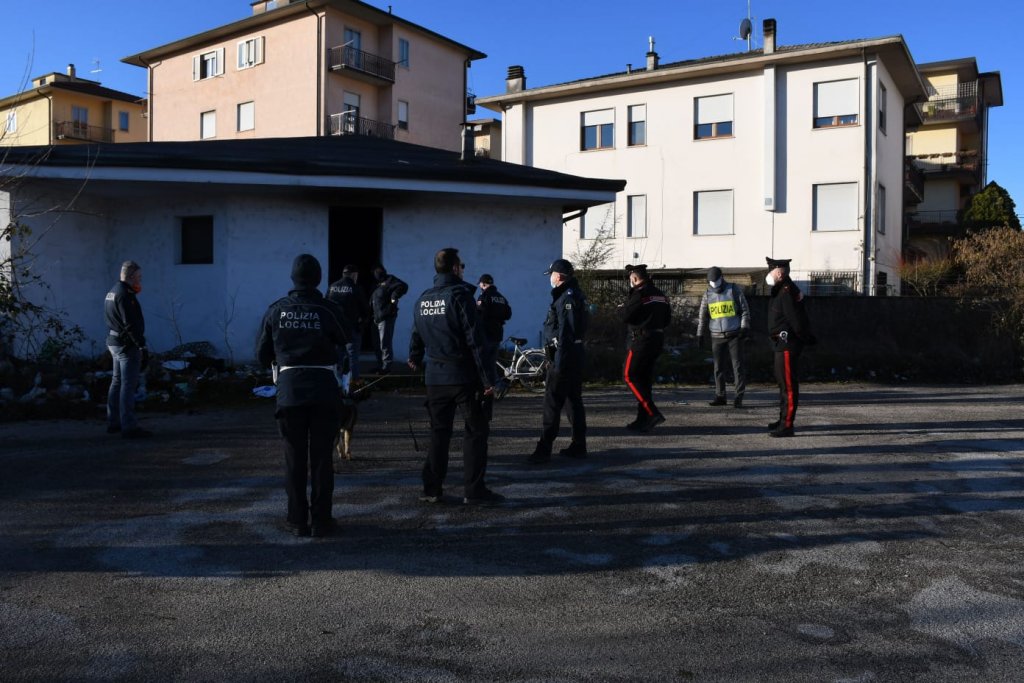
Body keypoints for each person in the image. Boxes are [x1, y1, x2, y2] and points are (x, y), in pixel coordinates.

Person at [256, 254, 350, 537]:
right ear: (318, 279)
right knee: (322, 458)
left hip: (289, 390)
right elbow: (345, 339)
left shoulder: (276, 310)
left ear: (292, 278)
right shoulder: (329, 309)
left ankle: (297, 519)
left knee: (294, 458)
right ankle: (322, 520)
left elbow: (261, 354)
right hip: (323, 389)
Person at [408, 247, 503, 505]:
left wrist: (415, 356)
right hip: (462, 376)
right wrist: (488, 380)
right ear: (454, 268)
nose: (462, 269)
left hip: (435, 377)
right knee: (475, 431)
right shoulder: (461, 296)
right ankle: (474, 491)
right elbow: (475, 340)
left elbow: (416, 333)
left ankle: (431, 489)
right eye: (461, 266)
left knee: (439, 433)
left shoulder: (423, 299)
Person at [528, 258, 589, 463]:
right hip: (573, 356)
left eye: (552, 275)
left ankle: (544, 449)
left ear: (559, 276)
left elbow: (566, 334)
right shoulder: (572, 294)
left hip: (564, 357)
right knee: (573, 401)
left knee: (552, 403)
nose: (550, 278)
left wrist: (559, 364)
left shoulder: (566, 298)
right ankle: (578, 445)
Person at [618, 264, 671, 432]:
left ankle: (651, 412)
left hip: (640, 340)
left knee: (629, 375)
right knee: (644, 380)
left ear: (634, 278)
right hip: (657, 339)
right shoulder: (660, 294)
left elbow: (626, 316)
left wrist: (621, 308)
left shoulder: (639, 294)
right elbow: (667, 320)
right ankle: (643, 419)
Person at [765, 256, 814, 437]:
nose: (768, 274)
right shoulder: (781, 289)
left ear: (778, 273)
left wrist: (804, 338)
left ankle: (787, 425)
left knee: (788, 386)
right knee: (783, 384)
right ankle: (782, 419)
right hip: (780, 344)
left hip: (787, 344)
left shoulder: (786, 291)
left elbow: (796, 321)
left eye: (770, 271)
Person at [104, 260, 152, 438]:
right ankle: (129, 425)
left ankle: (114, 422)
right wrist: (141, 345)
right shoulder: (125, 295)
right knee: (128, 385)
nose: (140, 280)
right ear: (131, 276)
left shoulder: (112, 292)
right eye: (138, 277)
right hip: (126, 345)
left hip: (114, 341)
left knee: (117, 382)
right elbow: (130, 324)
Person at [696, 266, 751, 408]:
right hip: (716, 336)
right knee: (718, 368)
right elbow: (702, 317)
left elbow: (744, 310)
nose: (714, 284)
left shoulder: (733, 289)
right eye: (711, 281)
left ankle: (738, 397)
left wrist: (744, 327)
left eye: (716, 280)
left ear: (722, 278)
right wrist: (700, 334)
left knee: (737, 367)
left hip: (734, 335)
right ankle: (720, 396)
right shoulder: (707, 294)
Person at [327, 264, 371, 386]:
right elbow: (365, 309)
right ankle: (354, 382)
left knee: (338, 356)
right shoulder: (355, 288)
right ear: (354, 275)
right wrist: (363, 322)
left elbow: (327, 306)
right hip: (352, 328)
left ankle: (337, 382)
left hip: (336, 329)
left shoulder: (332, 287)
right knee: (353, 356)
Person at [476, 273, 512, 393]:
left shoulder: (484, 296)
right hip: (497, 333)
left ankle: (493, 387)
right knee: (491, 363)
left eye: (480, 284)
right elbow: (508, 314)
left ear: (483, 284)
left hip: (485, 333)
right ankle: (496, 387)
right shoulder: (501, 297)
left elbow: (479, 313)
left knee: (483, 363)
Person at [370, 264, 408, 374]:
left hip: (386, 316)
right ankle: (380, 366)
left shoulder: (390, 279)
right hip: (375, 317)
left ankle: (386, 368)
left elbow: (403, 286)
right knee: (377, 344)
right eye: (375, 271)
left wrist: (394, 296)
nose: (377, 272)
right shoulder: (376, 284)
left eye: (379, 270)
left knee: (385, 343)